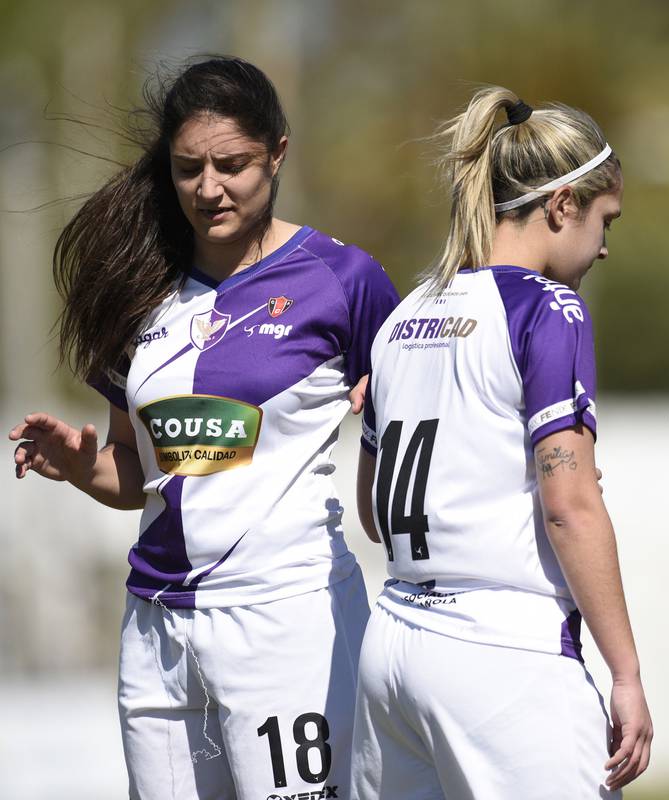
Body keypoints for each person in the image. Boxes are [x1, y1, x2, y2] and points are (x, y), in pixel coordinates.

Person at [9, 57, 400, 799]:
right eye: (189, 168)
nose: (209, 187)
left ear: (278, 153)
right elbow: (137, 475)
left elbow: (411, 414)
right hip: (154, 630)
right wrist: (76, 464)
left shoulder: (345, 280)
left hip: (287, 619)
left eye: (232, 164)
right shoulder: (138, 289)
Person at [350, 86, 652, 799]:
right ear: (562, 205)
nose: (605, 246)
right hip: (502, 654)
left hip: (393, 643)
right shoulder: (549, 309)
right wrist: (628, 673)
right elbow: (569, 509)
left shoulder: (403, 316)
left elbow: (373, 513)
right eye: (605, 220)